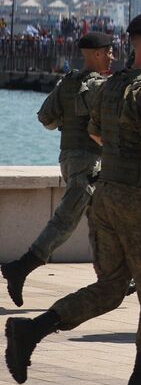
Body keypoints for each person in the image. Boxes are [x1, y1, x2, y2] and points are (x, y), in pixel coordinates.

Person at [4, 12, 141, 385]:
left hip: (107, 196)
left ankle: (32, 331)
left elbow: (96, 132)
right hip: (137, 201)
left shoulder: (112, 85)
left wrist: (127, 151)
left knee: (112, 287)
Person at [3, 32, 113, 306]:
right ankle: (22, 267)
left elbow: (46, 118)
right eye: (109, 52)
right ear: (97, 53)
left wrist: (69, 121)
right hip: (88, 161)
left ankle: (115, 276)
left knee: (105, 221)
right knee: (66, 220)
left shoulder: (68, 81)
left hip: (69, 158)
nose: (112, 56)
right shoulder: (98, 86)